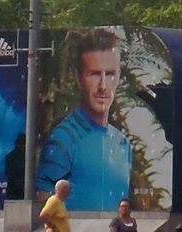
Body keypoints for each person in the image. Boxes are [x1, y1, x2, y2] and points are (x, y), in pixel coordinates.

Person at [35, 30, 133, 210]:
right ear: (79, 78)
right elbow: (41, 203)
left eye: (110, 74)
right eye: (94, 74)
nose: (103, 86)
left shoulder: (123, 143)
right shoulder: (63, 139)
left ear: (119, 77)